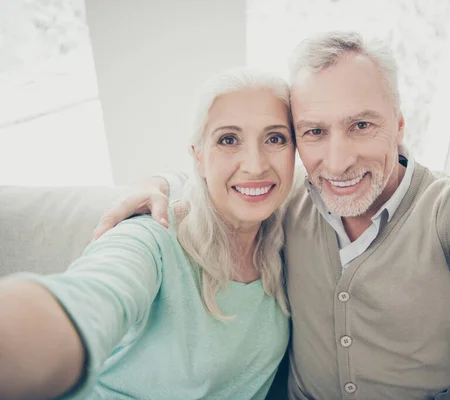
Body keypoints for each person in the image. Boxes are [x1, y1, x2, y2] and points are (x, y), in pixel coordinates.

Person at [94, 31, 450, 399]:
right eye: (314, 131)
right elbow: (221, 179)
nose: (336, 162)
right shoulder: (286, 198)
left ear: (398, 126)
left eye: (361, 125)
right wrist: (155, 183)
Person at [0, 68, 296, 400]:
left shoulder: (291, 230)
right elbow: (92, 295)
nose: (255, 165)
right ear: (199, 156)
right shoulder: (152, 235)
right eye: (228, 139)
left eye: (275, 138)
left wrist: (156, 180)